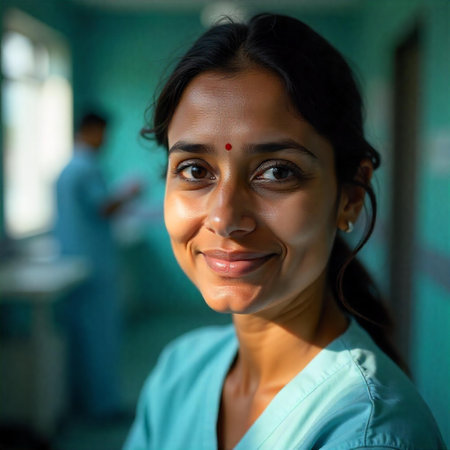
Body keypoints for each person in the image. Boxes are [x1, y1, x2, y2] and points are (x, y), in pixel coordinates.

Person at [124, 14, 445, 449]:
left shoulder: (367, 435)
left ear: (350, 196)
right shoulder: (180, 371)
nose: (224, 217)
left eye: (276, 172)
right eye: (195, 169)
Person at [55, 112, 140, 418]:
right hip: (94, 267)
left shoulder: (68, 169)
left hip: (74, 261)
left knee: (80, 337)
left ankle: (80, 402)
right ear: (89, 131)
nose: (105, 141)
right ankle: (102, 406)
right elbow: (104, 208)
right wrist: (129, 193)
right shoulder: (87, 168)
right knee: (100, 338)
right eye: (103, 134)